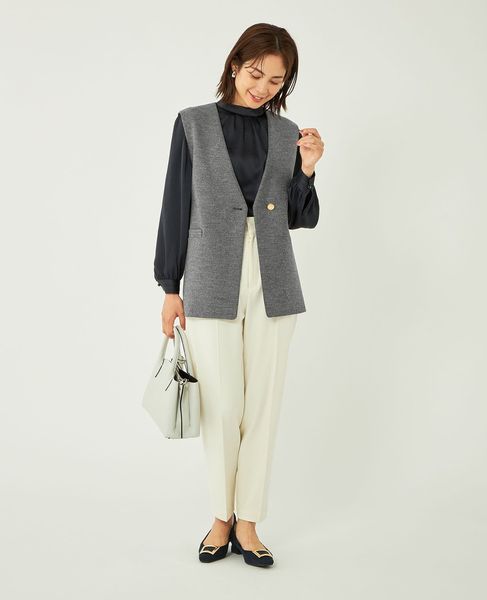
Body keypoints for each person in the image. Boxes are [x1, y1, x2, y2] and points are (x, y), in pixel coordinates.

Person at [153, 23, 324, 567]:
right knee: (223, 406)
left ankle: (248, 522)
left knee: (263, 406)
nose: (263, 88)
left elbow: (299, 217)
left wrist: (307, 170)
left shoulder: (287, 131)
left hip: (274, 277)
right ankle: (220, 517)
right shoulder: (193, 124)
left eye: (276, 81)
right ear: (234, 65)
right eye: (256, 73)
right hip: (210, 275)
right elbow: (175, 204)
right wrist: (169, 286)